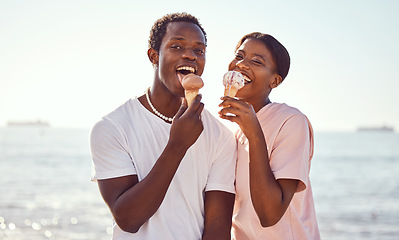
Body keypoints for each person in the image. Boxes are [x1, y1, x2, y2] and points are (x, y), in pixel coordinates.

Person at [90, 13, 236, 240]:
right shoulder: (112, 127)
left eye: (199, 50)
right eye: (177, 46)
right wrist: (177, 145)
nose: (190, 55)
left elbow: (217, 227)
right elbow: (128, 220)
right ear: (154, 56)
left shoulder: (221, 136)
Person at [219, 32, 320, 239]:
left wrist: (254, 133)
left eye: (256, 61)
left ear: (274, 81)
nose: (242, 64)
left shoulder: (291, 121)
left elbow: (269, 214)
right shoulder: (227, 130)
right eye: (239, 56)